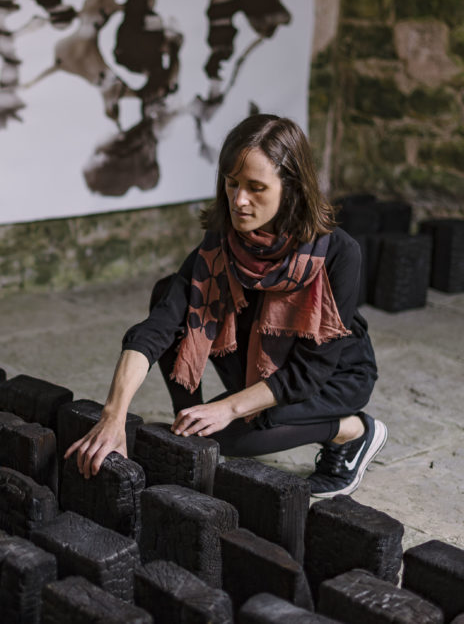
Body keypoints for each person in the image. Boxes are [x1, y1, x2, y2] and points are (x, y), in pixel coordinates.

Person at [63, 113, 385, 497]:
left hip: (329, 379)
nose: (239, 200)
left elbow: (310, 371)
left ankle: (354, 431)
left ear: (292, 188)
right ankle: (190, 435)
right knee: (169, 292)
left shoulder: (339, 253)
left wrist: (228, 409)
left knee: (229, 440)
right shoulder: (224, 240)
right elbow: (157, 328)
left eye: (256, 187)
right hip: (257, 365)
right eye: (232, 184)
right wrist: (112, 415)